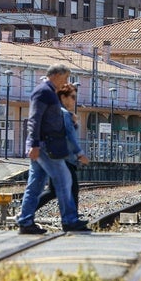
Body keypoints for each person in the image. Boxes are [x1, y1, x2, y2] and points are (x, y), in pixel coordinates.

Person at [17, 64, 90, 234]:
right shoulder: (44, 92)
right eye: (65, 77)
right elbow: (34, 119)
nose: (66, 82)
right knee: (64, 180)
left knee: (35, 185)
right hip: (45, 146)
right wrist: (34, 144)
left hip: (43, 145)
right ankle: (70, 220)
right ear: (56, 75)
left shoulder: (48, 92)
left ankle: (26, 221)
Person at [36, 83, 89, 212]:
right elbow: (69, 137)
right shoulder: (64, 114)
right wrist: (80, 154)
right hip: (64, 158)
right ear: (63, 97)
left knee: (53, 191)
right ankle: (73, 221)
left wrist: (74, 123)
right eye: (72, 97)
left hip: (54, 157)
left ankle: (25, 212)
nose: (74, 100)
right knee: (72, 189)